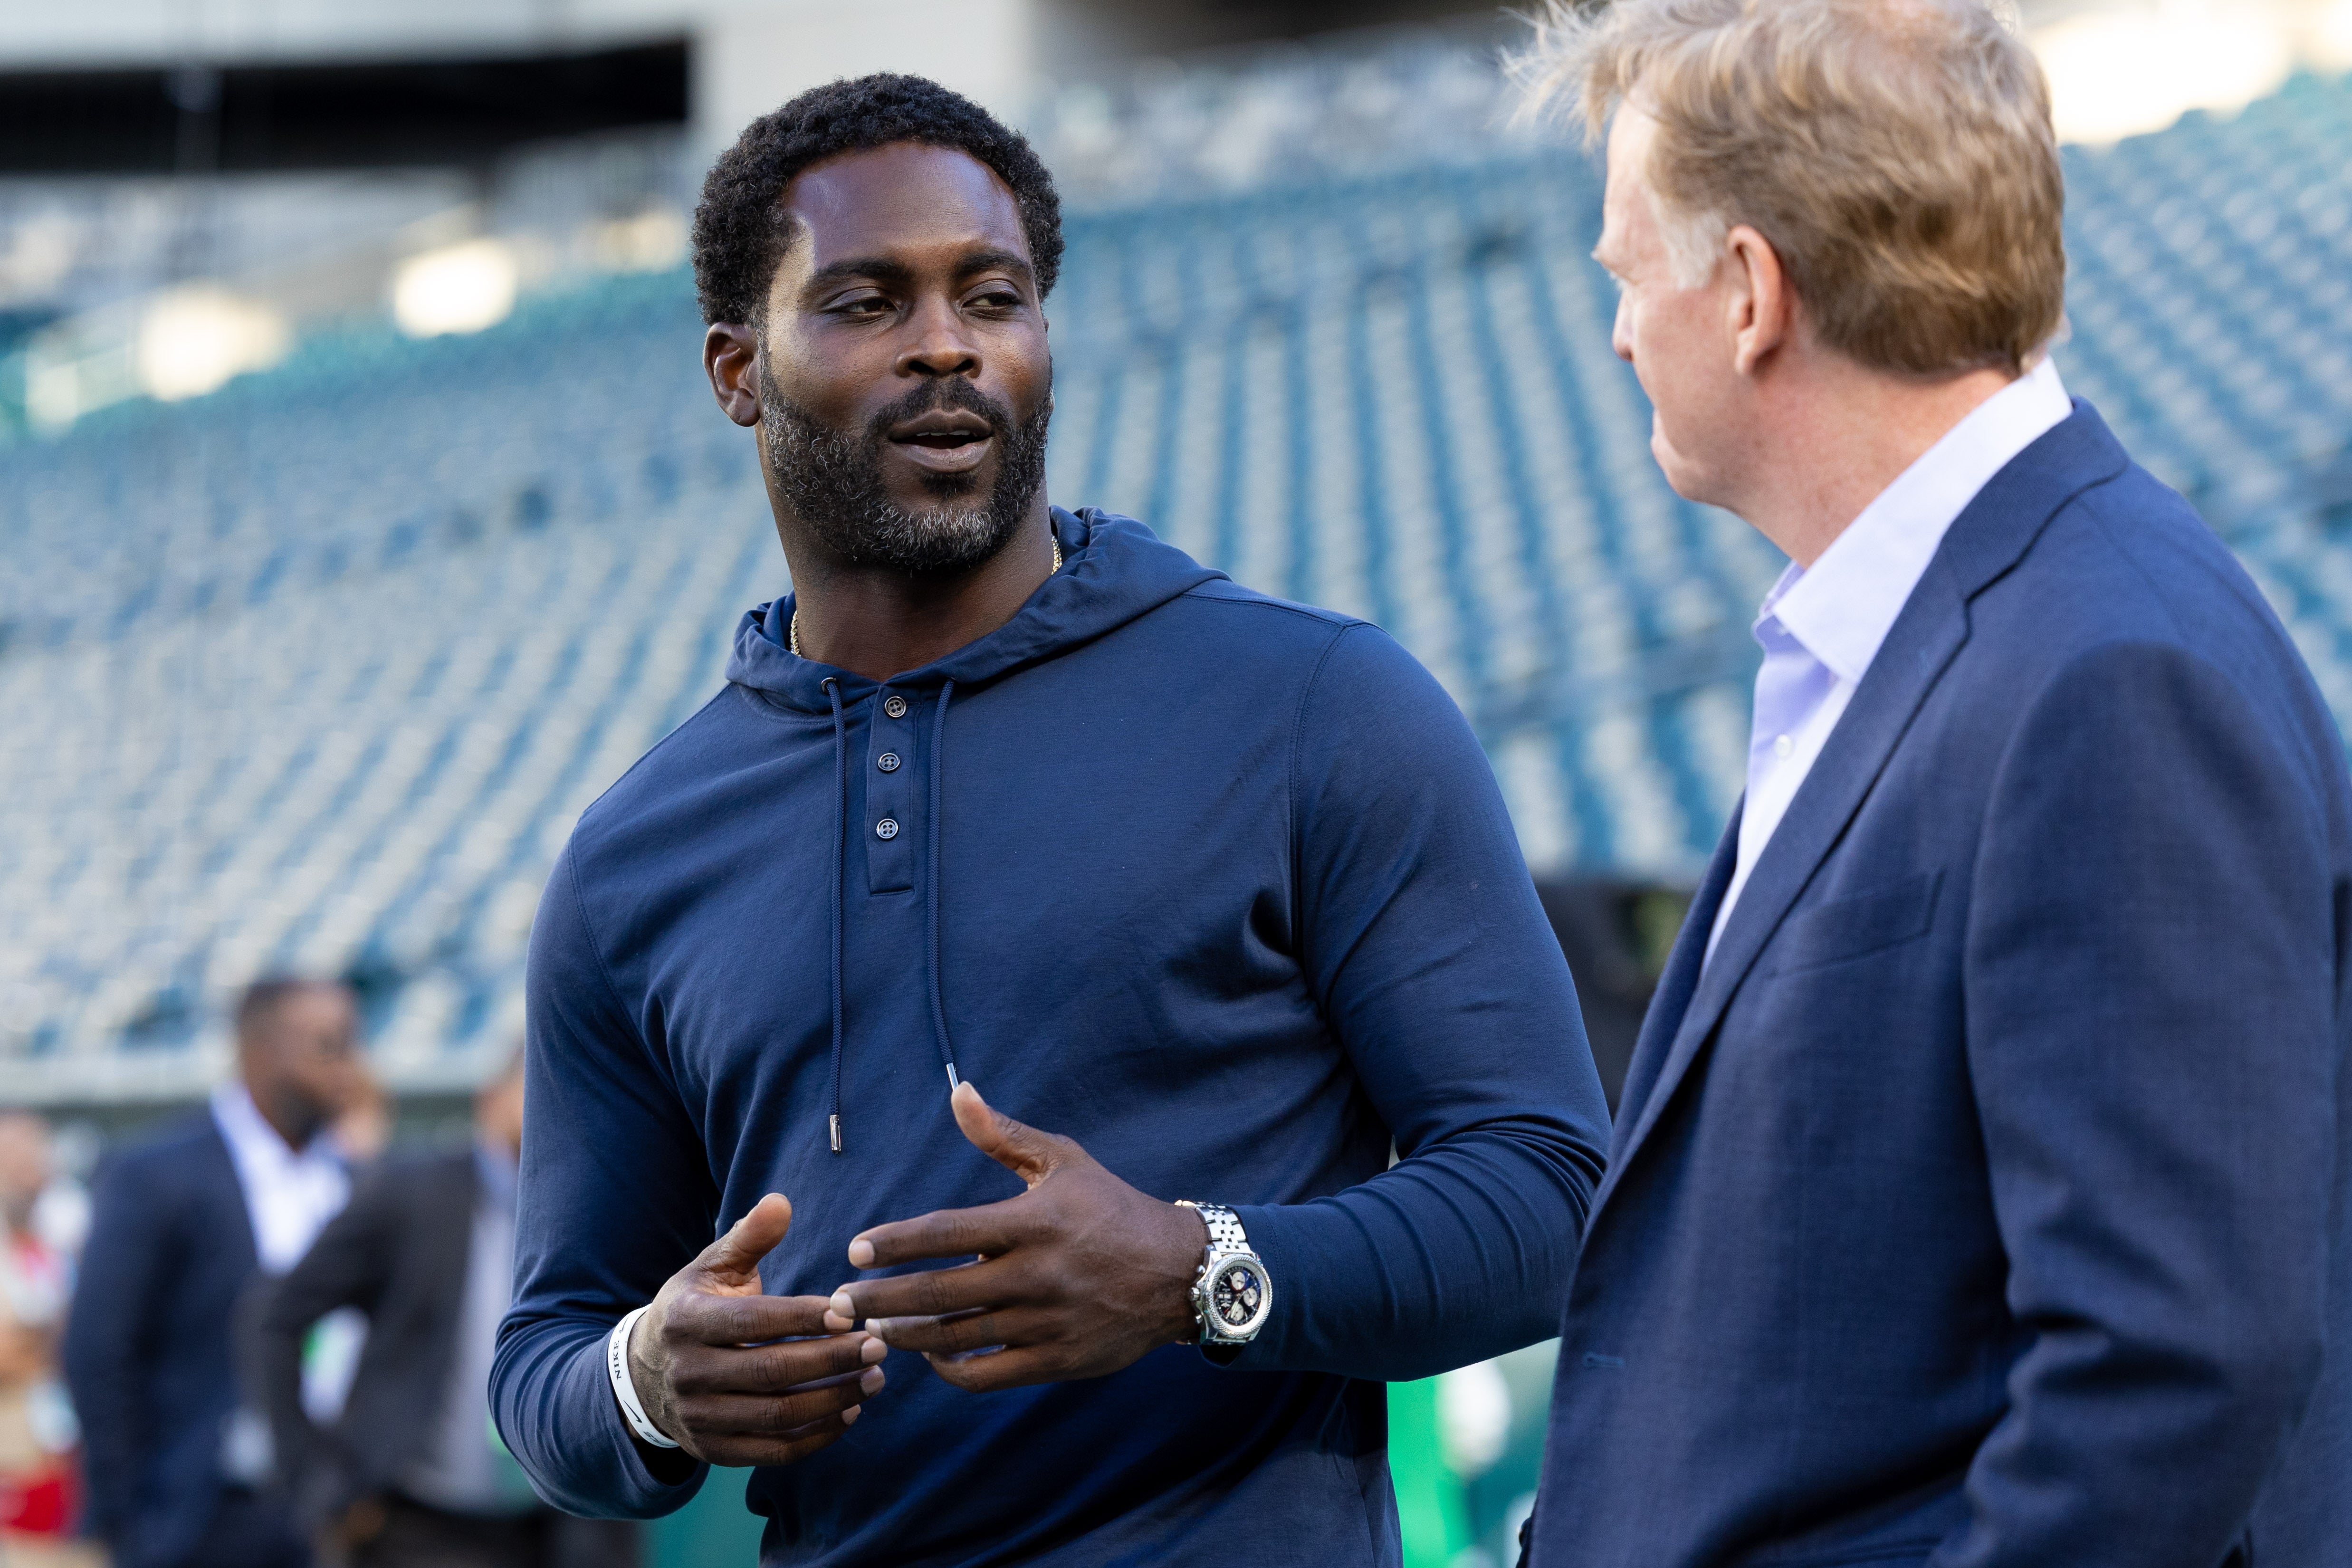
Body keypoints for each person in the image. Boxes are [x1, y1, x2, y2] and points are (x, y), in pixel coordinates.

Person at [492, 73, 1608, 1568]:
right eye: (867, 301)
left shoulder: (1314, 706)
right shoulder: (635, 854)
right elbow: (546, 1358)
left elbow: (1548, 1193)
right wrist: (648, 1378)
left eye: (994, 294)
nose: (946, 341)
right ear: (736, 369)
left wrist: (1200, 1266)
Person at [1510, 2, 2352, 1565]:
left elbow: (2175, 1368)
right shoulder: (1938, 633)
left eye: (1631, 273)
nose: (1622, 329)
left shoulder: (2110, 673)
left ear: (1753, 292)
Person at [248, 1050, 637, 1568]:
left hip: (557, 1530)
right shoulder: (411, 1193)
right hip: (415, 1524)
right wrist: (319, 1482)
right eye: (538, 1086)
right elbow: (273, 1318)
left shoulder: (608, 1214)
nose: (560, 1107)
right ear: (489, 1099)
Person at [66, 977, 366, 1568]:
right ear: (261, 1051)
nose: (349, 1067)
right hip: (202, 1512)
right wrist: (132, 1518)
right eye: (328, 1045)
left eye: (352, 1044)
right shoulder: (157, 1176)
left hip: (327, 1510)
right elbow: (100, 1349)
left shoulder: (352, 1179)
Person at [0, 1112, 97, 1568]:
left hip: (69, 1466)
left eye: (36, 1156)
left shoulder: (61, 1247)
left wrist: (40, 1341)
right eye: (14, 1157)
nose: (28, 1169)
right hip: (14, 1470)